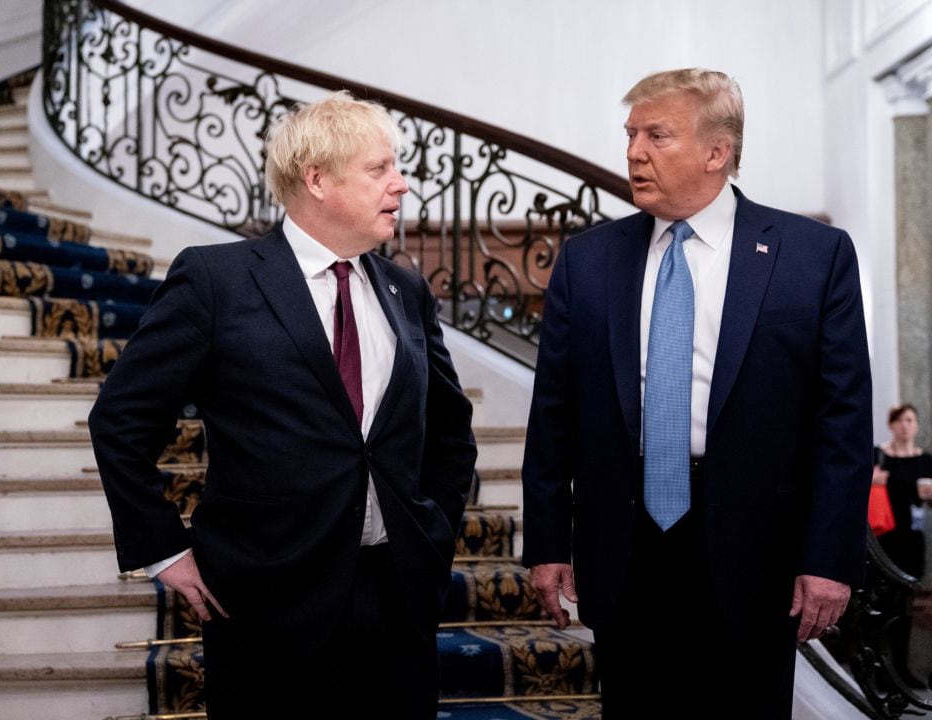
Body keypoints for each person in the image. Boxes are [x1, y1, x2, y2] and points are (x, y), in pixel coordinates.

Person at [88, 91, 477, 720]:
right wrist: (163, 547)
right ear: (317, 179)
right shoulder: (217, 279)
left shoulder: (406, 288)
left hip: (397, 594)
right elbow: (121, 420)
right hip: (267, 598)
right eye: (380, 169)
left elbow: (450, 435)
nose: (401, 186)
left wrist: (431, 532)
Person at [521, 68, 872, 719]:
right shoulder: (589, 260)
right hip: (625, 547)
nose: (633, 152)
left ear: (718, 151)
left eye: (657, 134)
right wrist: (545, 543)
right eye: (630, 134)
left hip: (757, 554)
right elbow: (554, 416)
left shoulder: (812, 256)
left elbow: (843, 423)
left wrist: (830, 558)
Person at [874, 403, 932, 577]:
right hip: (884, 529)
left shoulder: (926, 460)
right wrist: (873, 481)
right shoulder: (878, 455)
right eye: (899, 420)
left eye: (909, 420)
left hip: (913, 532)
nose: (904, 425)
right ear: (891, 425)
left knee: (911, 582)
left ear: (916, 425)